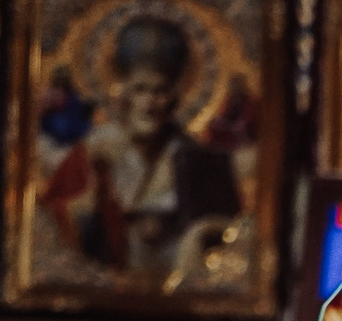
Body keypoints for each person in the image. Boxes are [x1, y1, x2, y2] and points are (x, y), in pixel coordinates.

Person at [37, 15, 244, 282]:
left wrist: (200, 234)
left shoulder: (201, 161)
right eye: (140, 90)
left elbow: (234, 233)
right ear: (122, 95)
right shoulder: (91, 154)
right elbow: (49, 224)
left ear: (174, 98)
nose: (149, 103)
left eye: (160, 91)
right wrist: (89, 204)